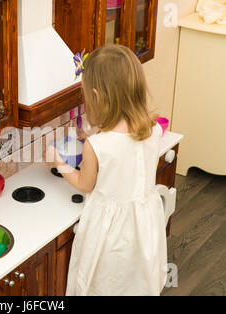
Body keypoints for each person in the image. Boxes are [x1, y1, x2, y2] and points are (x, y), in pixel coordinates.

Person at [51, 45, 167, 296]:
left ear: (96, 95)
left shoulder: (96, 146)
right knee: (136, 283)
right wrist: (98, 131)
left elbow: (84, 184)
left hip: (111, 235)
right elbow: (124, 151)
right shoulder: (153, 129)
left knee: (105, 285)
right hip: (143, 227)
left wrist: (58, 162)